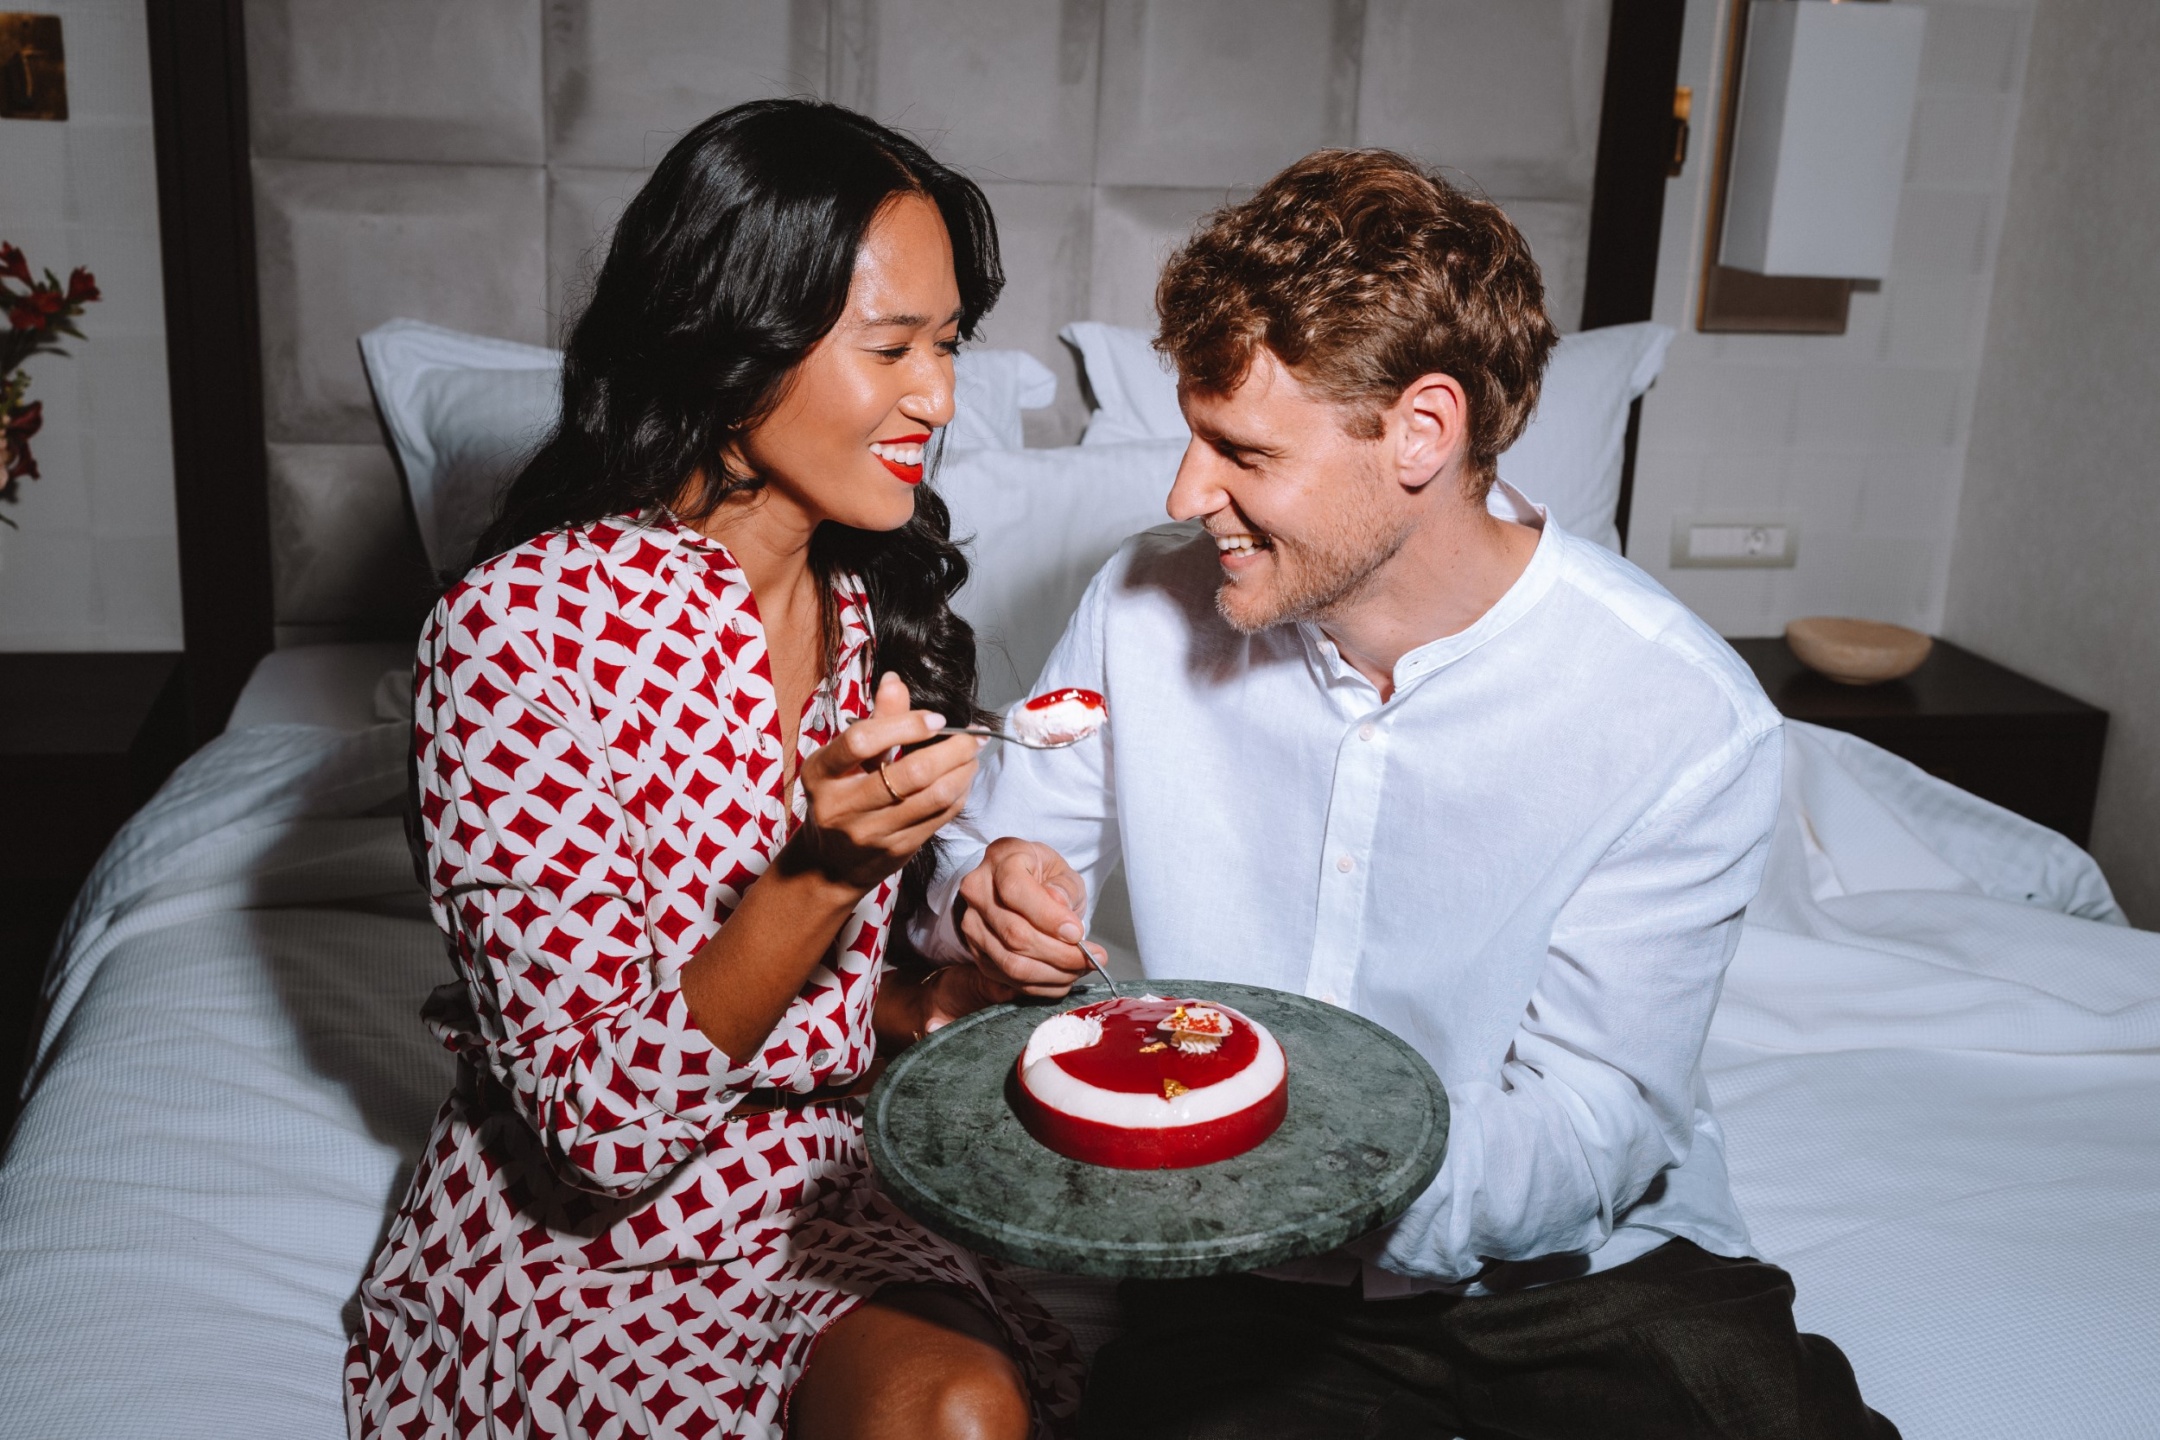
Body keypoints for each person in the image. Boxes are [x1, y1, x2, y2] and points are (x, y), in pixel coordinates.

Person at [921, 149, 1898, 1438]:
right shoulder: (1137, 610)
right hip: (1240, 1282)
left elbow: (1598, 1113)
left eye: (1240, 450)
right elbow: (984, 881)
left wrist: (1322, 1172)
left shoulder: (1679, 713)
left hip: (1582, 1279)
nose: (1181, 494)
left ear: (1422, 433)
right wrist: (988, 905)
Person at [345, 99, 1080, 1440]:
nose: (940, 396)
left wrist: (968, 945)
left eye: (949, 344)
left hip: (828, 1202)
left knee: (964, 1413)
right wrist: (823, 865)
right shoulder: (517, 639)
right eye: (893, 347)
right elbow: (599, 1132)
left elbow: (870, 996)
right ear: (734, 348)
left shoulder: (871, 599)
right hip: (587, 1245)